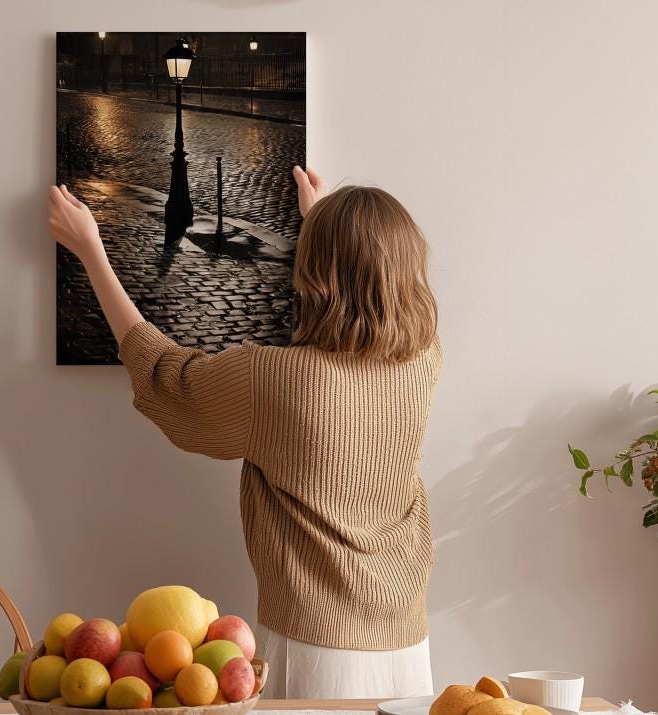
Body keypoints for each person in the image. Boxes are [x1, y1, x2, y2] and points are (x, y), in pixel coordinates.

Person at [47, 166, 441, 699]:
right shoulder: (423, 360)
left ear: (314, 271)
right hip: (408, 645)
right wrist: (322, 225)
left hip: (315, 645)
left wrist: (91, 250)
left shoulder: (274, 378)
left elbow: (166, 375)